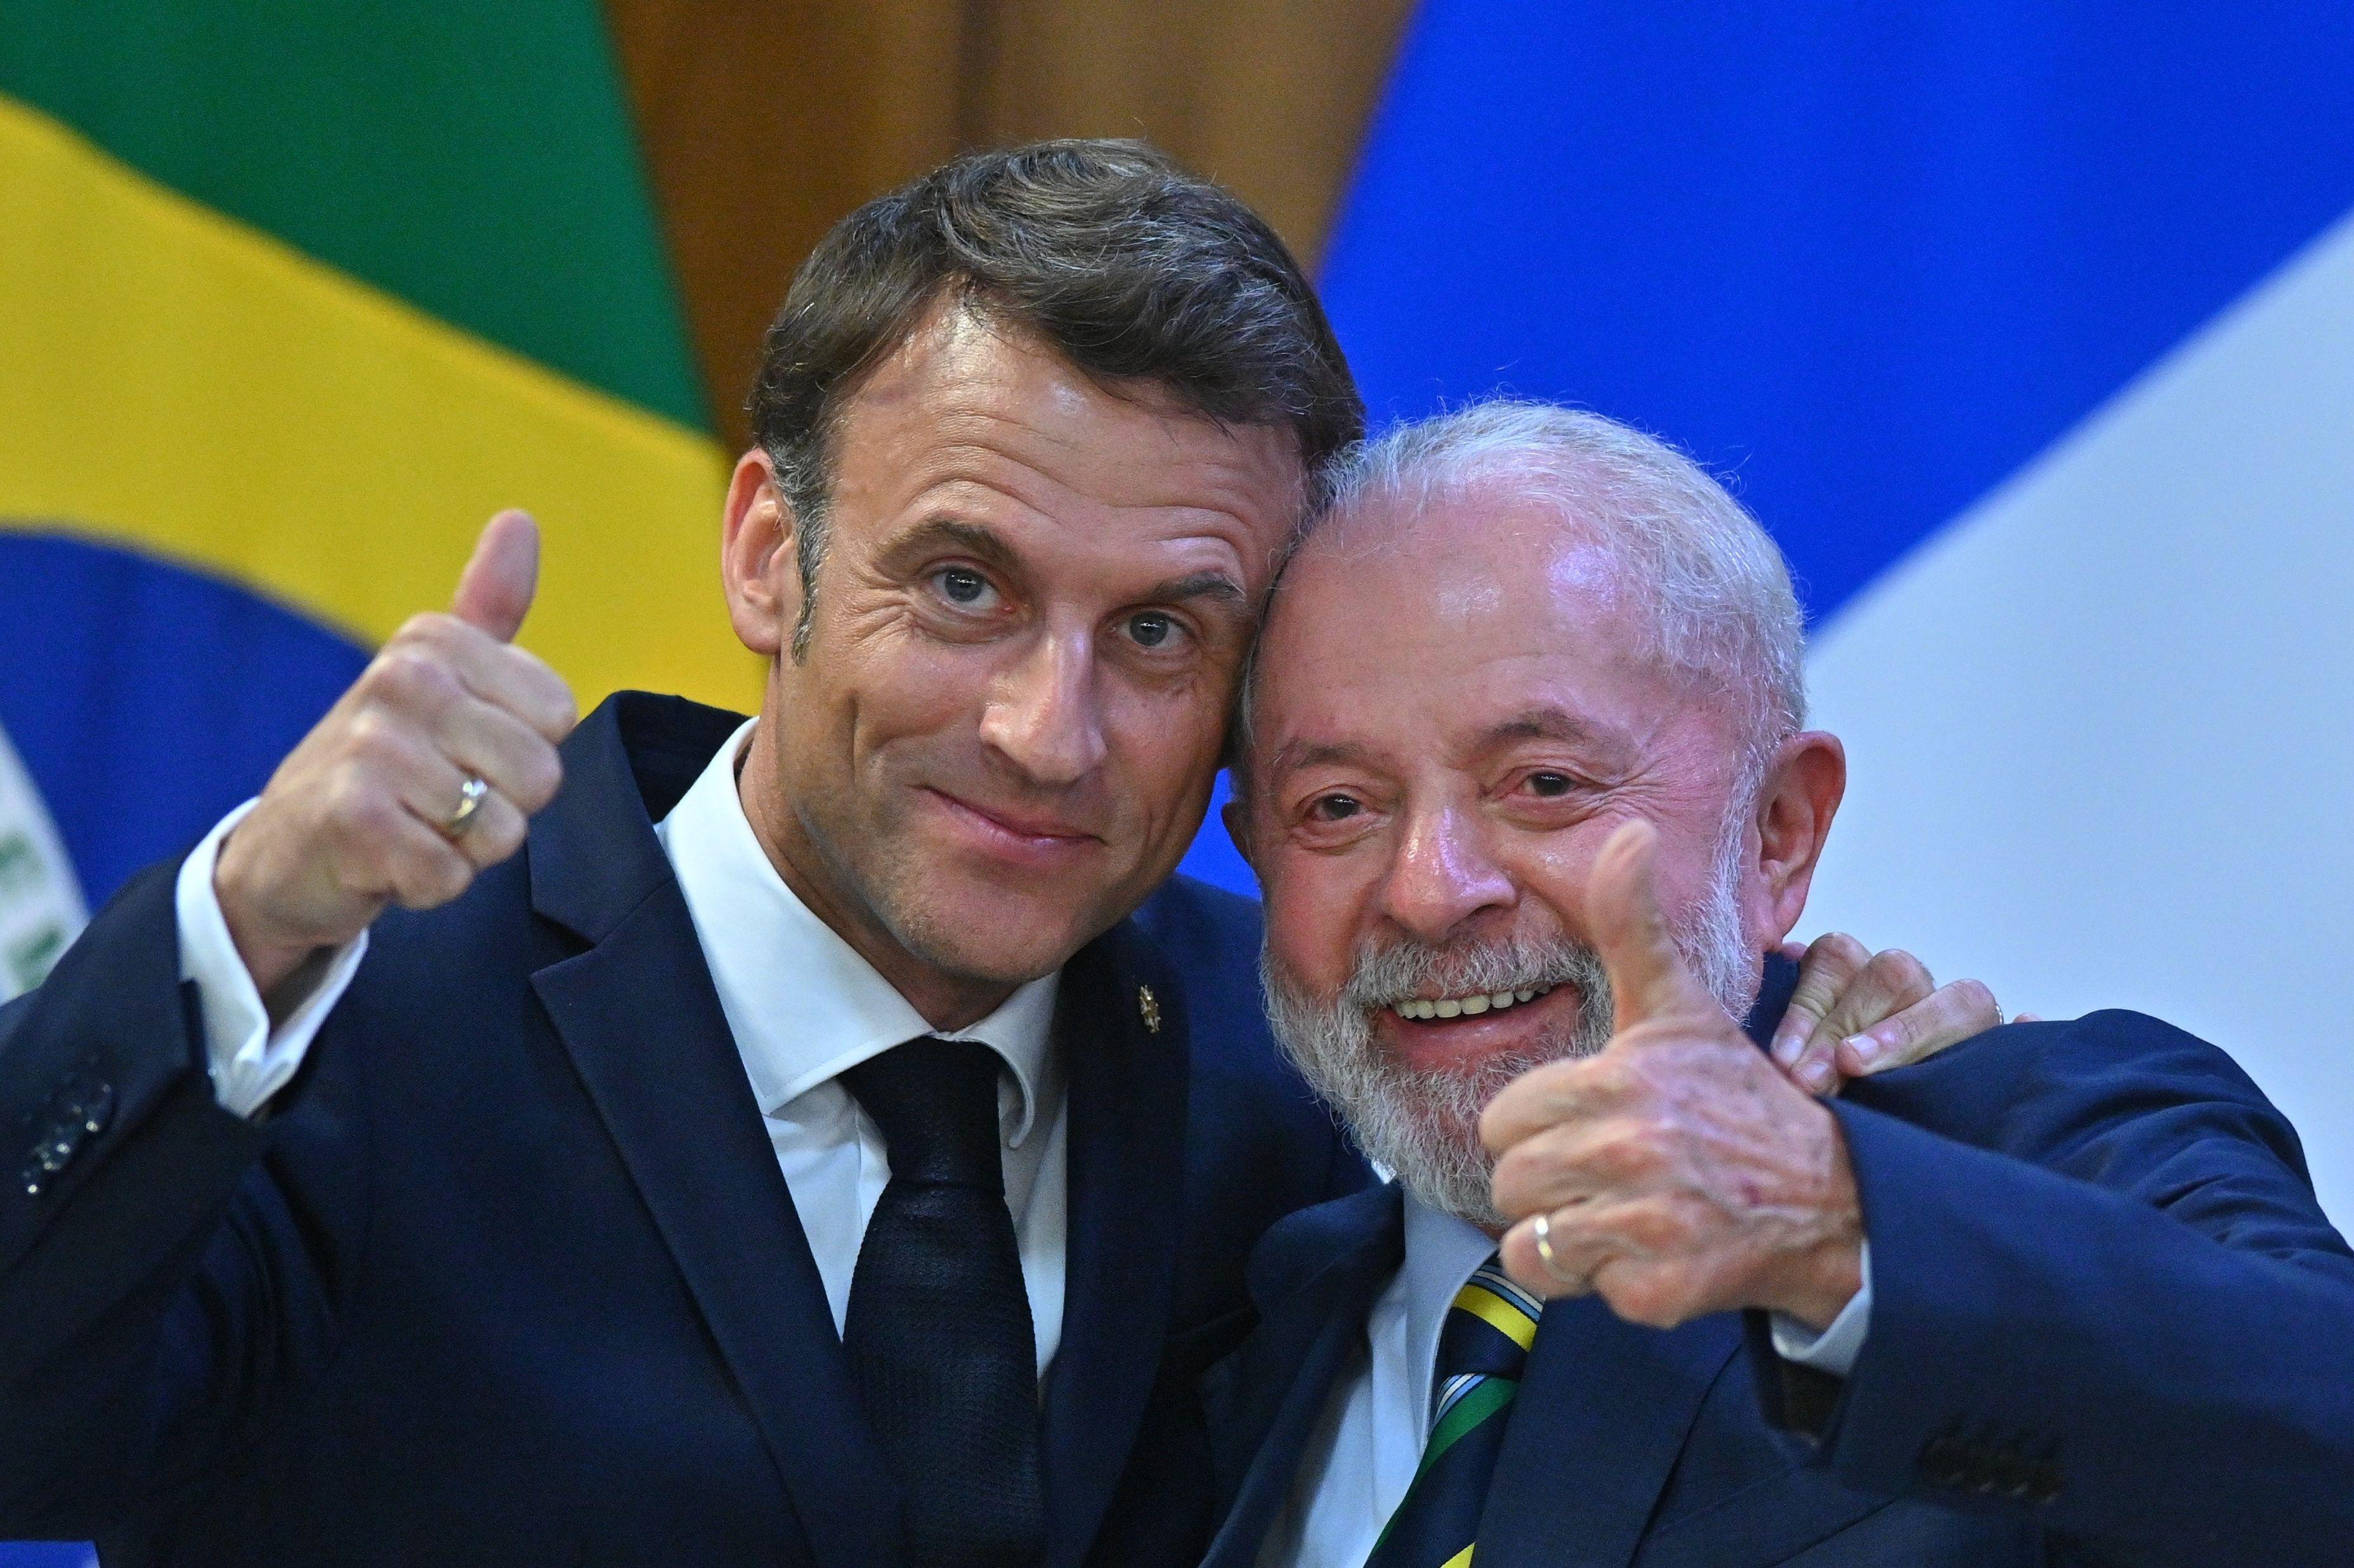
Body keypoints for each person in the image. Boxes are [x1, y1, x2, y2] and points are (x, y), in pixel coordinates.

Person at [0, 145, 1981, 1566]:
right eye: (964, 585)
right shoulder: (344, 1019)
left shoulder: (1290, 1070)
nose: (1050, 731)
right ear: (769, 553)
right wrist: (244, 924)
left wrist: (1823, 1050)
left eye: (1161, 633)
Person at [1205, 401, 2354, 1567]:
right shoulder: (1238, 1328)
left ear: (1778, 831)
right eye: (1337, 807)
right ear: (1255, 854)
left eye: (1544, 783)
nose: (1429, 889)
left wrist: (1840, 1241)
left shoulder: (2038, 1144)